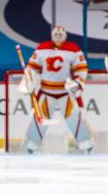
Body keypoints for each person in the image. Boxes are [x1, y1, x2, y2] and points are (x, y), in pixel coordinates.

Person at [18, 26, 93, 154]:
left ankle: (86, 144)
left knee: (74, 117)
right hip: (46, 92)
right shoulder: (42, 48)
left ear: (65, 35)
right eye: (56, 33)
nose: (58, 35)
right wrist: (28, 79)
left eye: (60, 33)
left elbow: (81, 68)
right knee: (40, 118)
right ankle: (31, 144)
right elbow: (32, 67)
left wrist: (77, 83)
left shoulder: (74, 49)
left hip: (65, 92)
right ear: (52, 35)